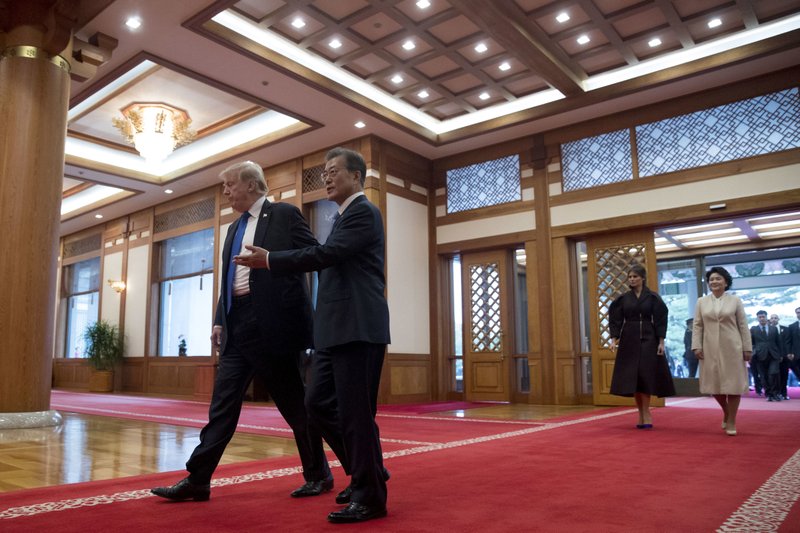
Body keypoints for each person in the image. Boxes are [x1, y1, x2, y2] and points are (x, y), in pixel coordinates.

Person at [151, 161, 331, 501]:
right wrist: (220, 318)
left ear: (251, 184)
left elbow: (313, 256)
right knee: (222, 406)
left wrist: (273, 258)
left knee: (294, 406)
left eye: (230, 185)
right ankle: (198, 480)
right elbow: (230, 281)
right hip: (238, 326)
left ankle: (318, 474)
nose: (226, 192)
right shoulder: (234, 229)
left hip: (275, 327)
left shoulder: (285, 215)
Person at [235, 147, 390, 524]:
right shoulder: (341, 216)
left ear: (356, 176)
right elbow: (324, 255)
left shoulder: (363, 212)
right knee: (317, 406)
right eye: (324, 172)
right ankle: (368, 470)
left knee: (356, 415)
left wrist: (270, 260)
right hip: (333, 331)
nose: (326, 177)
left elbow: (326, 255)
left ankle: (370, 496)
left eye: (334, 171)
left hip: (357, 327)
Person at [608, 264, 675, 428]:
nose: (632, 279)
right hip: (628, 339)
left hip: (648, 338)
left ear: (642, 278)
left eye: (635, 276)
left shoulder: (652, 297)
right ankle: (640, 413)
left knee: (645, 375)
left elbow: (660, 319)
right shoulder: (623, 299)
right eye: (630, 277)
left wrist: (661, 341)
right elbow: (616, 319)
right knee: (633, 378)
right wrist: (613, 339)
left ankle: (647, 412)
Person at [692, 267, 753, 436]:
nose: (714, 282)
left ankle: (732, 419)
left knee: (733, 385)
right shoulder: (701, 302)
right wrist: (696, 346)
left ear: (726, 282)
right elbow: (697, 325)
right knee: (713, 384)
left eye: (718, 279)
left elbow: (743, 325)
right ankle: (726, 411)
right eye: (711, 279)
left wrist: (747, 348)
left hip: (733, 347)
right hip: (709, 347)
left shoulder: (735, 301)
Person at [751, 310, 783, 402]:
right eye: (760, 317)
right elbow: (751, 343)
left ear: (766, 317)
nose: (762, 318)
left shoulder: (773, 328)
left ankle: (775, 394)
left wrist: (780, 354)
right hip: (760, 356)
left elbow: (778, 342)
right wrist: (754, 352)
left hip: (774, 355)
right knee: (763, 376)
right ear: (757, 318)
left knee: (772, 374)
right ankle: (768, 394)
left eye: (763, 316)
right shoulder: (754, 329)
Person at [770, 313, 790, 400]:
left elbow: (788, 343)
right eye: (772, 318)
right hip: (772, 357)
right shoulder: (767, 330)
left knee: (784, 375)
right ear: (770, 320)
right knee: (774, 376)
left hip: (784, 356)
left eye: (775, 318)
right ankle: (775, 393)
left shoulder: (785, 329)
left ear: (778, 319)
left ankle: (784, 393)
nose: (774, 319)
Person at [785, 307, 800, 395]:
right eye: (797, 312)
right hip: (796, 355)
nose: (799, 314)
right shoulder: (792, 327)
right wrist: (789, 352)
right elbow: (788, 341)